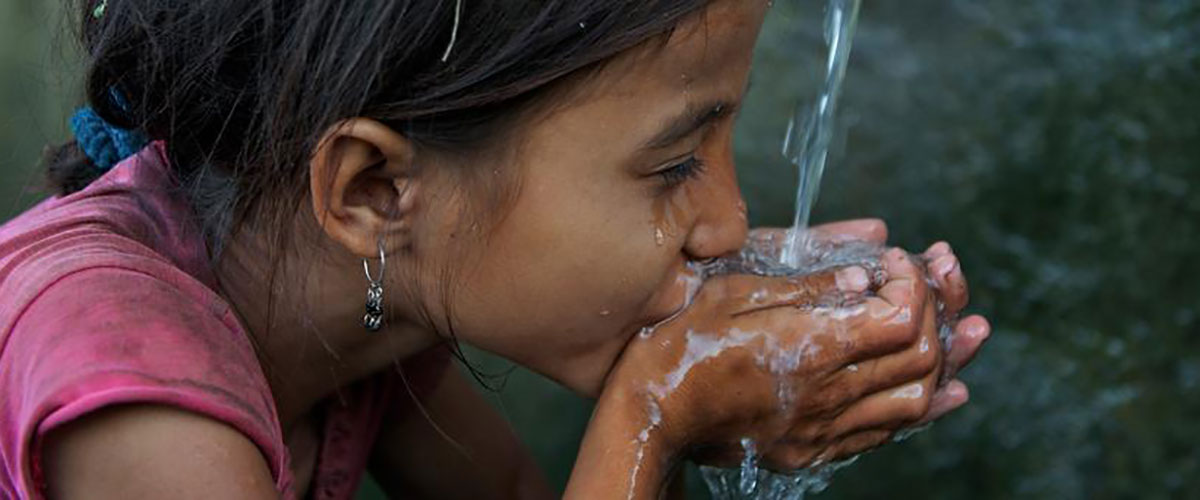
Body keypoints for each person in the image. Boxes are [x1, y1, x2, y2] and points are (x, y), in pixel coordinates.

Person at [0, 0, 990, 498]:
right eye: (675, 163)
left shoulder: (360, 288)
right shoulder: (135, 402)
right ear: (375, 188)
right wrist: (655, 401)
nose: (731, 224)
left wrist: (723, 386)